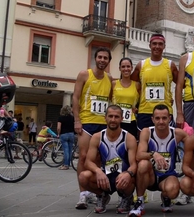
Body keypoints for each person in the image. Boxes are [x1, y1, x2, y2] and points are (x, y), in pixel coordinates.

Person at [129, 104, 188, 217]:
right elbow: (139, 155)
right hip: (150, 176)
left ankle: (165, 197)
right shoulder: (147, 132)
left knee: (173, 191)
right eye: (157, 118)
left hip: (167, 175)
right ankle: (140, 201)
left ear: (169, 119)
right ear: (152, 119)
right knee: (143, 164)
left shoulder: (177, 133)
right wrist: (153, 154)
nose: (161, 121)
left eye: (164, 118)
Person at [73, 46, 113, 209]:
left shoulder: (109, 78)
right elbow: (75, 97)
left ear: (109, 61)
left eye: (105, 58)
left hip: (102, 124)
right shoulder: (84, 74)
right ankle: (83, 194)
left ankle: (97, 192)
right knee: (83, 157)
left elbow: (111, 100)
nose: (102, 60)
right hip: (86, 122)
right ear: (95, 59)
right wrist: (77, 119)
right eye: (100, 57)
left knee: (97, 160)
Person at [79, 105, 138, 214]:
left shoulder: (129, 138)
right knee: (83, 177)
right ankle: (102, 195)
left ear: (122, 118)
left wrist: (128, 174)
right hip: (105, 176)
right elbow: (88, 162)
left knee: (132, 177)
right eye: (110, 116)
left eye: (116, 117)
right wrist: (98, 172)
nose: (113, 120)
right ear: (105, 117)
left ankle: (127, 197)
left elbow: (134, 165)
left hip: (122, 177)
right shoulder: (97, 137)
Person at [131, 34, 178, 132]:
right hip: (145, 111)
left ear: (164, 46)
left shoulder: (170, 65)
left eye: (160, 44)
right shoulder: (141, 65)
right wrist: (134, 103)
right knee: (143, 142)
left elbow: (181, 84)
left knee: (166, 142)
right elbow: (131, 84)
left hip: (165, 112)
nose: (157, 46)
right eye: (154, 44)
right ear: (150, 46)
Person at [112, 57, 140, 138]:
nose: (126, 69)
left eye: (128, 66)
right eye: (123, 67)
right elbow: (109, 100)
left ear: (131, 68)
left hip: (131, 121)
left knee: (130, 146)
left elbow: (142, 101)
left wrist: (137, 109)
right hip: (116, 120)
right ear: (119, 68)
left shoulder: (137, 85)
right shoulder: (114, 84)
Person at [57, 105, 75, 170]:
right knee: (70, 150)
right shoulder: (72, 118)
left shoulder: (61, 118)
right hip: (71, 134)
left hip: (64, 134)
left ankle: (65, 165)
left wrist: (58, 134)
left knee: (65, 150)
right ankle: (69, 163)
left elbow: (59, 128)